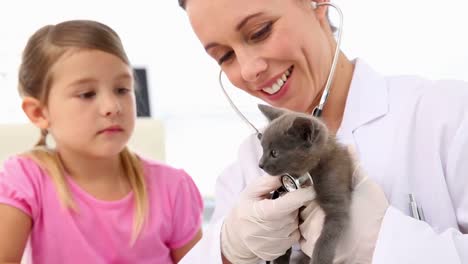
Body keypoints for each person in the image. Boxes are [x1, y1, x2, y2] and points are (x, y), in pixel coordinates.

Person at [176, 0, 468, 263]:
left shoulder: (448, 115)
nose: (249, 70)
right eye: (224, 56)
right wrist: (228, 250)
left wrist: (385, 244)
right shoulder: (246, 166)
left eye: (260, 31)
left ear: (318, 4)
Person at [0, 20, 203, 264]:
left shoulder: (173, 187)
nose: (112, 107)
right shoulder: (25, 179)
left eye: (122, 89)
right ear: (39, 113)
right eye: (87, 94)